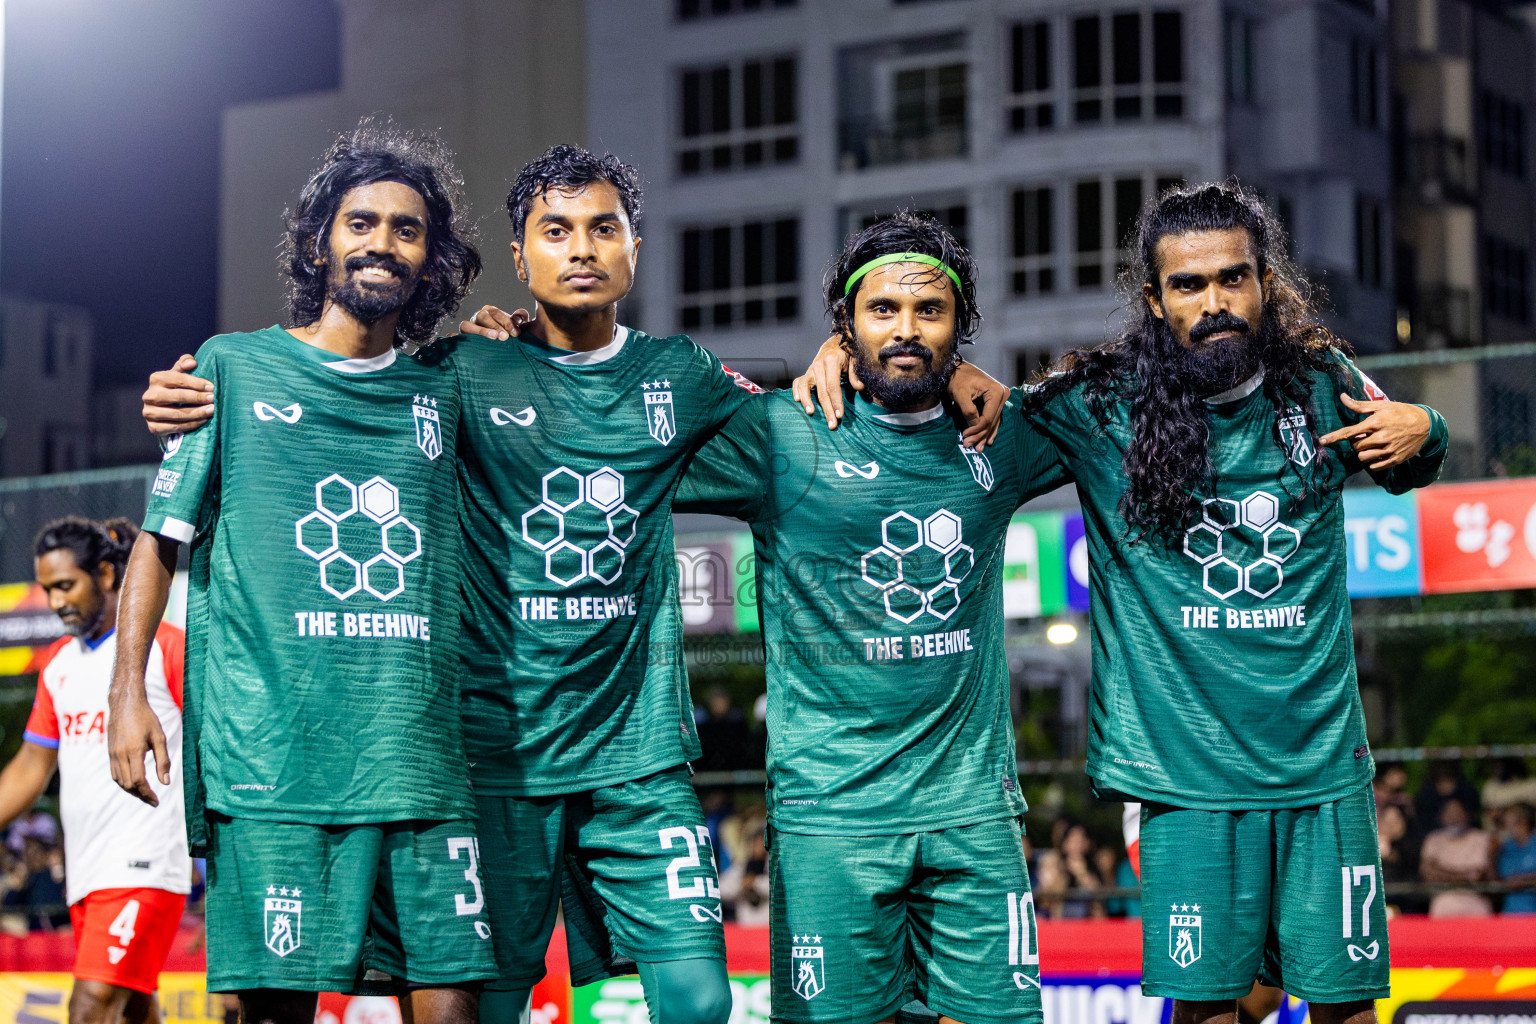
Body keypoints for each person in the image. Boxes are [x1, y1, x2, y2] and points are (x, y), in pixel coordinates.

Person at [800, 182, 1449, 1024]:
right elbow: (948, 399)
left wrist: (1427, 426)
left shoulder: (1321, 383)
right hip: (1185, 782)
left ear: (1265, 282)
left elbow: (1410, 452)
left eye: (1233, 278)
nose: (1214, 302)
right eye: (1188, 284)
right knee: (1214, 1009)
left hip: (1323, 770)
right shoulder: (1101, 406)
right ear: (1154, 297)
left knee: (1348, 1010)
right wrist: (844, 350)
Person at [108, 119, 495, 1024]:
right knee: (269, 1014)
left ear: (429, 257)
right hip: (272, 764)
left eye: (407, 229)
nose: (382, 243)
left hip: (423, 764)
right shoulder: (230, 370)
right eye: (361, 222)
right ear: (322, 242)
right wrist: (130, 693)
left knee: (451, 1010)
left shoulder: (452, 385)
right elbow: (160, 543)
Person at [673, 212, 1064, 1023]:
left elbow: (1141, 392)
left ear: (962, 325)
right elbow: (624, 444)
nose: (907, 330)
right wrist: (527, 344)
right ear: (845, 323)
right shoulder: (783, 433)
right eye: (882, 310)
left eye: (931, 311)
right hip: (831, 822)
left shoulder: (1003, 434)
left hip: (973, 816)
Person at [16, 517, 190, 1024]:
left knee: (90, 1007)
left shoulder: (167, 647)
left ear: (108, 576)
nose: (54, 603)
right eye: (47, 590)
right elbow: (31, 766)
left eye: (65, 586)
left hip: (145, 864)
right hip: (87, 873)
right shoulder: (57, 665)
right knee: (135, 1010)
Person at [1420, 798, 1495, 917]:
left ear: (1468, 815)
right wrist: (1465, 876)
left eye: (1458, 812)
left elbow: (1478, 875)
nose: (1454, 818)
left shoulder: (1480, 838)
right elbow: (1429, 874)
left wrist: (1441, 870)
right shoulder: (1433, 839)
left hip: (1475, 902)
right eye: (1449, 813)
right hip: (1442, 902)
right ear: (1442, 816)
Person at [1498, 803, 1536, 914]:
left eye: (1507, 822)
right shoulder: (1506, 847)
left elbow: (1516, 881)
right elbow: (1504, 879)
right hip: (1513, 911)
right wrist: (1491, 855)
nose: (1505, 827)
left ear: (1523, 822)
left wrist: (1523, 880)